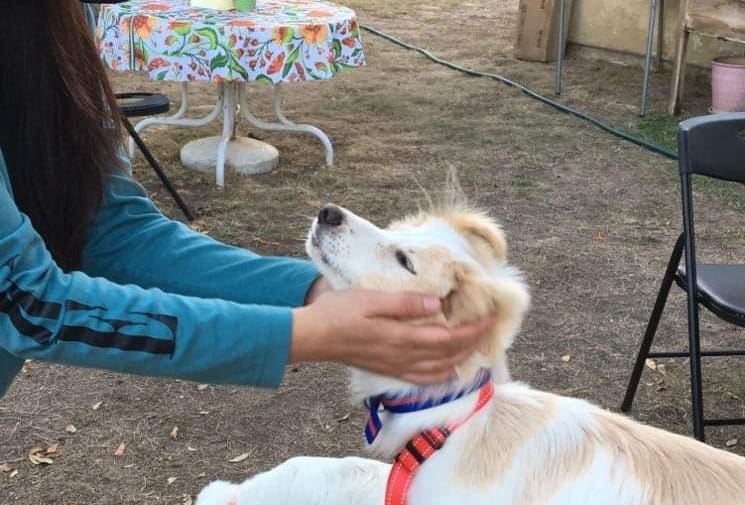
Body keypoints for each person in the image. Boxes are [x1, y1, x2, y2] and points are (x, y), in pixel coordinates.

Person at [0, 0, 493, 401]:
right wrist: (302, 333)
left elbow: (110, 231)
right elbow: (26, 302)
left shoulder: (61, 19)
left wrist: (315, 291)